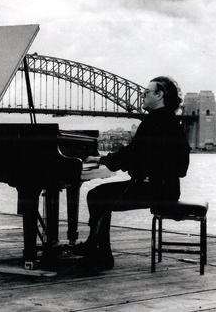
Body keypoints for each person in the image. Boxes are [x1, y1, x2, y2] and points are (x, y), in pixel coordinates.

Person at [72, 76, 190, 270]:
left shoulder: (155, 122)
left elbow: (132, 154)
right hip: (165, 188)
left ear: (160, 95)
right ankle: (97, 248)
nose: (142, 97)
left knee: (97, 196)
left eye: (146, 93)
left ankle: (99, 254)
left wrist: (102, 160)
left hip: (154, 189)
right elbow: (147, 156)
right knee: (100, 195)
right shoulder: (169, 121)